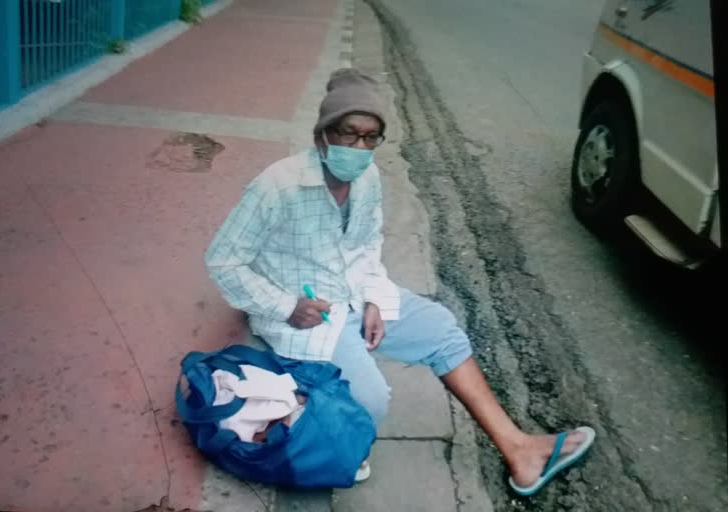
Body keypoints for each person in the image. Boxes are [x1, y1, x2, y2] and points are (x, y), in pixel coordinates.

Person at [204, 68, 595, 495]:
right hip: (310, 316)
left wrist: (373, 296)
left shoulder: (368, 179)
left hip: (358, 292)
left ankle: (518, 449)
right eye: (349, 133)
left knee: (443, 330)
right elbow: (224, 262)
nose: (359, 147)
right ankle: (326, 431)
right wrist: (285, 306)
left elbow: (368, 243)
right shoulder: (277, 186)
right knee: (372, 399)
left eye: (371, 137)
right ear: (323, 134)